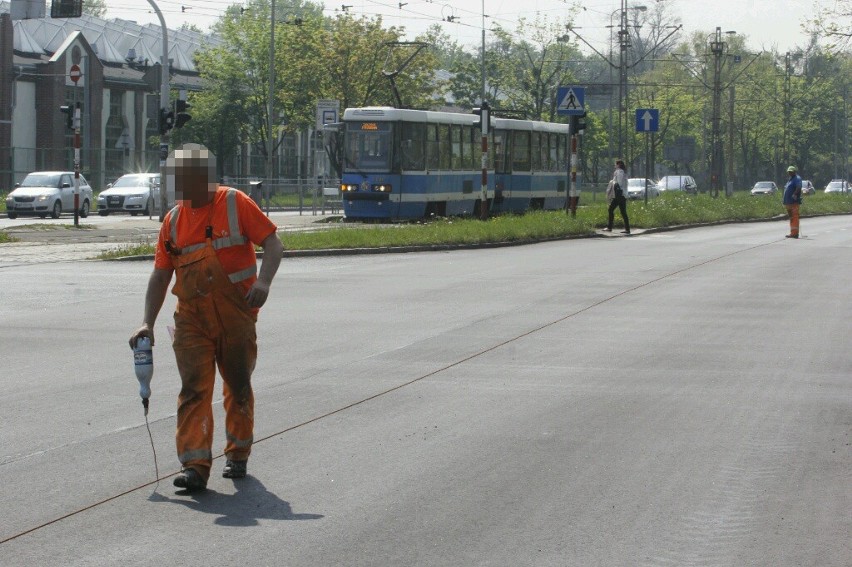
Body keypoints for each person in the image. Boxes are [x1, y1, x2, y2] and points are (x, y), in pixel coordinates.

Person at [129, 144, 283, 492]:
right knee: (193, 390)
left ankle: (237, 453)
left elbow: (274, 244)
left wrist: (264, 281)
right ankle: (195, 466)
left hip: (236, 315)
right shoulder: (172, 221)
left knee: (238, 386)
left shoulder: (234, 202)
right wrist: (146, 323)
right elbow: (160, 275)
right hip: (191, 320)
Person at [604, 159, 630, 234]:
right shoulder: (624, 172)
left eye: (615, 164)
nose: (614, 166)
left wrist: (613, 184)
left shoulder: (619, 172)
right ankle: (627, 229)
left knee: (611, 209)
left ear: (618, 165)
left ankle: (610, 227)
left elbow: (619, 183)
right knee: (622, 212)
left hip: (619, 195)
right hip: (623, 195)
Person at [783, 165, 802, 239]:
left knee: (794, 217)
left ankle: (795, 233)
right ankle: (792, 233)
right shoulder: (790, 179)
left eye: (791, 172)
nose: (789, 173)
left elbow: (798, 187)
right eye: (789, 172)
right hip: (788, 202)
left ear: (794, 172)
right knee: (791, 217)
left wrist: (795, 194)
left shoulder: (797, 178)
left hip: (794, 202)